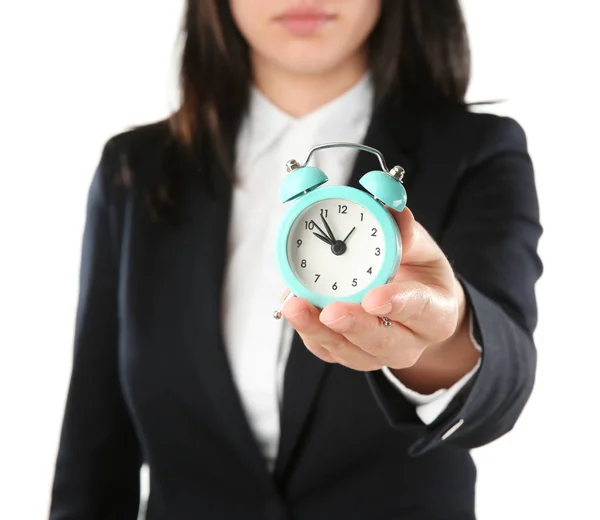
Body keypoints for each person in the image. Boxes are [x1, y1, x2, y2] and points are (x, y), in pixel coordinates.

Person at [49, 1, 543, 519]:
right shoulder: (135, 170)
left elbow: (500, 388)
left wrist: (444, 336)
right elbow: (95, 444)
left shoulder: (479, 152)